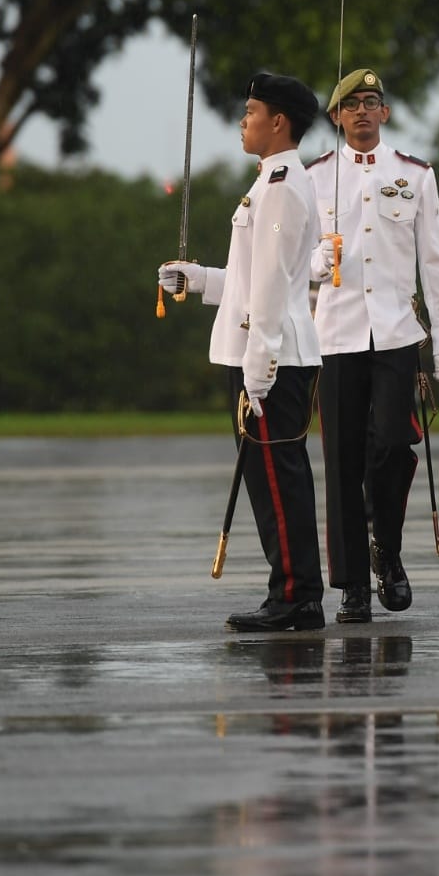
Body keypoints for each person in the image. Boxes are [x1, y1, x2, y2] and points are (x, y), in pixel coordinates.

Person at [158, 73, 327, 632]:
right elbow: (253, 277)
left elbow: (275, 283)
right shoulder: (267, 182)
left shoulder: (281, 184)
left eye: (251, 110)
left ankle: (297, 597)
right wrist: (200, 279)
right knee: (270, 477)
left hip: (270, 356)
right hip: (260, 349)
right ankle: (290, 589)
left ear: (278, 121)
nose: (243, 120)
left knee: (278, 479)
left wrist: (261, 365)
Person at [305, 68, 439, 624]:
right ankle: (352, 586)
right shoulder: (315, 177)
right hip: (338, 332)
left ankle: (385, 549)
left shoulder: (414, 175)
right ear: (336, 117)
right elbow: (296, 260)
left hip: (395, 331)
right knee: (343, 458)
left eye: (372, 102)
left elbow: (434, 262)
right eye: (352, 105)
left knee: (394, 445)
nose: (363, 112)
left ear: (386, 113)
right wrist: (318, 263)